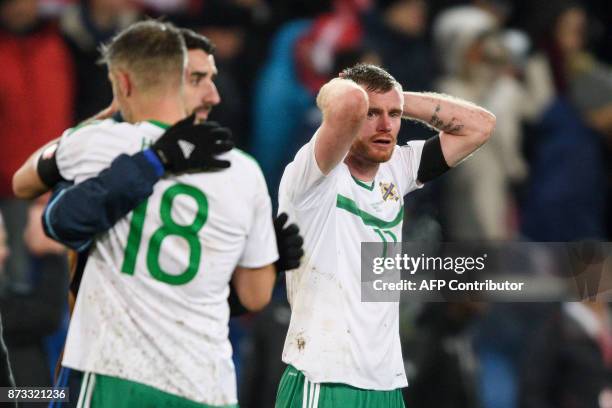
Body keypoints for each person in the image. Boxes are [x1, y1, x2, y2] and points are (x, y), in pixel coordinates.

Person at [43, 20, 277, 407]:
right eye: (197, 78)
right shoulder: (242, 172)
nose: (212, 95)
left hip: (113, 372)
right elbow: (255, 294)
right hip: (205, 385)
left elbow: (57, 221)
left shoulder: (104, 148)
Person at [275, 63, 495, 407]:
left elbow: (480, 126)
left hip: (385, 383)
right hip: (326, 377)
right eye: (371, 113)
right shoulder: (315, 177)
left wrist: (398, 99)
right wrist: (345, 92)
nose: (386, 125)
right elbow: (346, 103)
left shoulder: (396, 171)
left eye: (393, 115)